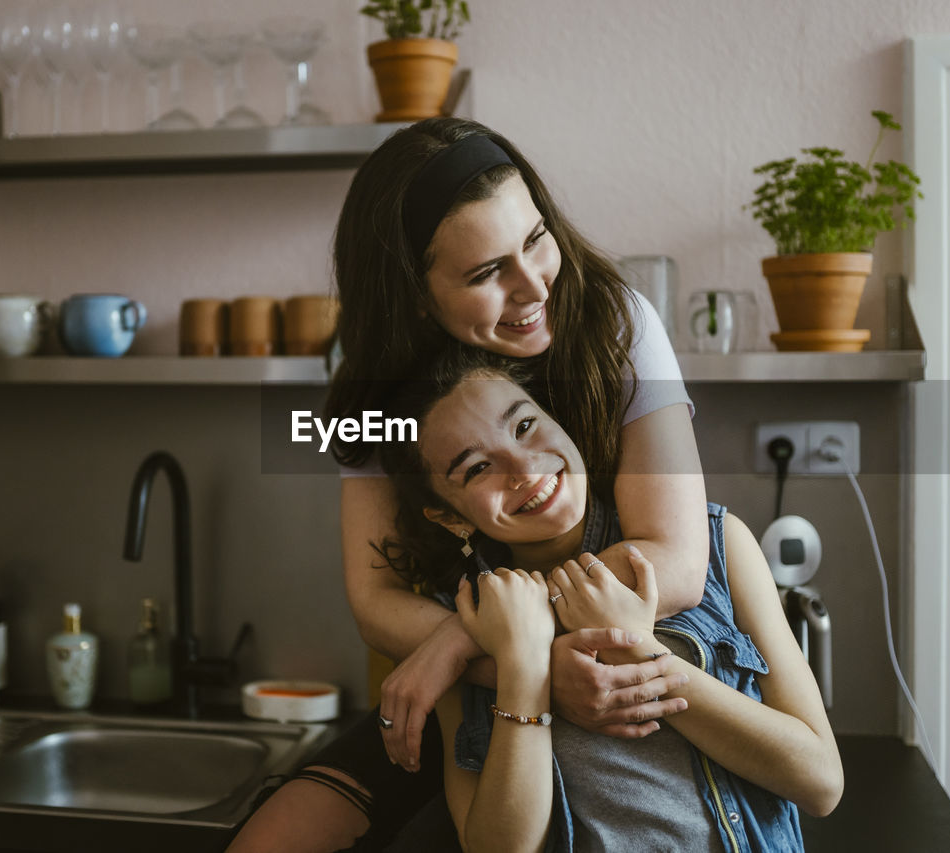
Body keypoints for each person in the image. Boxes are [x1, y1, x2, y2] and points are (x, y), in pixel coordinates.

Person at [230, 118, 709, 852]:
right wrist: (524, 665)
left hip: (612, 670)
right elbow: (376, 598)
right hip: (459, 694)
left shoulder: (616, 326)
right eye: (487, 273)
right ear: (416, 296)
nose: (533, 286)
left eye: (536, 239)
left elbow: (674, 560)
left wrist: (467, 632)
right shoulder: (377, 394)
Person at [380, 348, 843, 851]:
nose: (523, 467)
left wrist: (639, 650)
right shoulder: (465, 622)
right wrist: (523, 666)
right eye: (476, 469)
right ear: (451, 518)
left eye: (524, 426)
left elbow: (819, 783)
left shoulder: (717, 545)